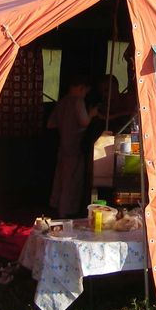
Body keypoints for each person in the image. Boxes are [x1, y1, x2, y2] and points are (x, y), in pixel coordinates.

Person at [47, 75, 98, 218]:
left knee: (60, 179)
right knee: (71, 181)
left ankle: (56, 208)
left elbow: (51, 123)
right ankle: (64, 213)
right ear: (82, 88)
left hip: (63, 145)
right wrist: (92, 114)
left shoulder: (62, 101)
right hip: (75, 146)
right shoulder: (78, 101)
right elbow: (84, 122)